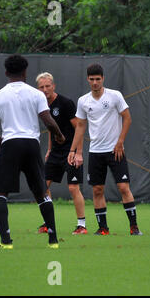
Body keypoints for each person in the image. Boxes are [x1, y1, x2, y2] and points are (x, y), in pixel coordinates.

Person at [0, 54, 65, 249]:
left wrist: (5, 144)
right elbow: (48, 121)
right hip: (31, 144)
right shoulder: (36, 94)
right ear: (25, 72)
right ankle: (53, 241)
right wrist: (59, 136)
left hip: (10, 144)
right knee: (41, 192)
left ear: (6, 72)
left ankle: (6, 241)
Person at [68, 63, 142, 236]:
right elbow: (80, 126)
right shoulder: (83, 101)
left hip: (115, 150)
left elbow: (127, 118)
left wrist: (120, 141)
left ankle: (134, 227)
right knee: (97, 190)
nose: (95, 83)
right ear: (88, 79)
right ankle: (103, 228)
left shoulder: (114, 96)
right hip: (95, 152)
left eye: (98, 79)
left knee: (123, 187)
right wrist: (74, 151)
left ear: (103, 79)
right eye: (92, 79)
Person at [35, 72, 87, 235]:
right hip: (55, 153)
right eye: (41, 87)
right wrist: (50, 149)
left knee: (73, 188)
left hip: (71, 152)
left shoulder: (65, 103)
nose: (45, 89)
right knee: (43, 187)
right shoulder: (43, 106)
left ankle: (81, 226)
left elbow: (78, 127)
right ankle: (48, 223)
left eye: (47, 86)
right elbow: (51, 129)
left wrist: (78, 152)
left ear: (53, 86)